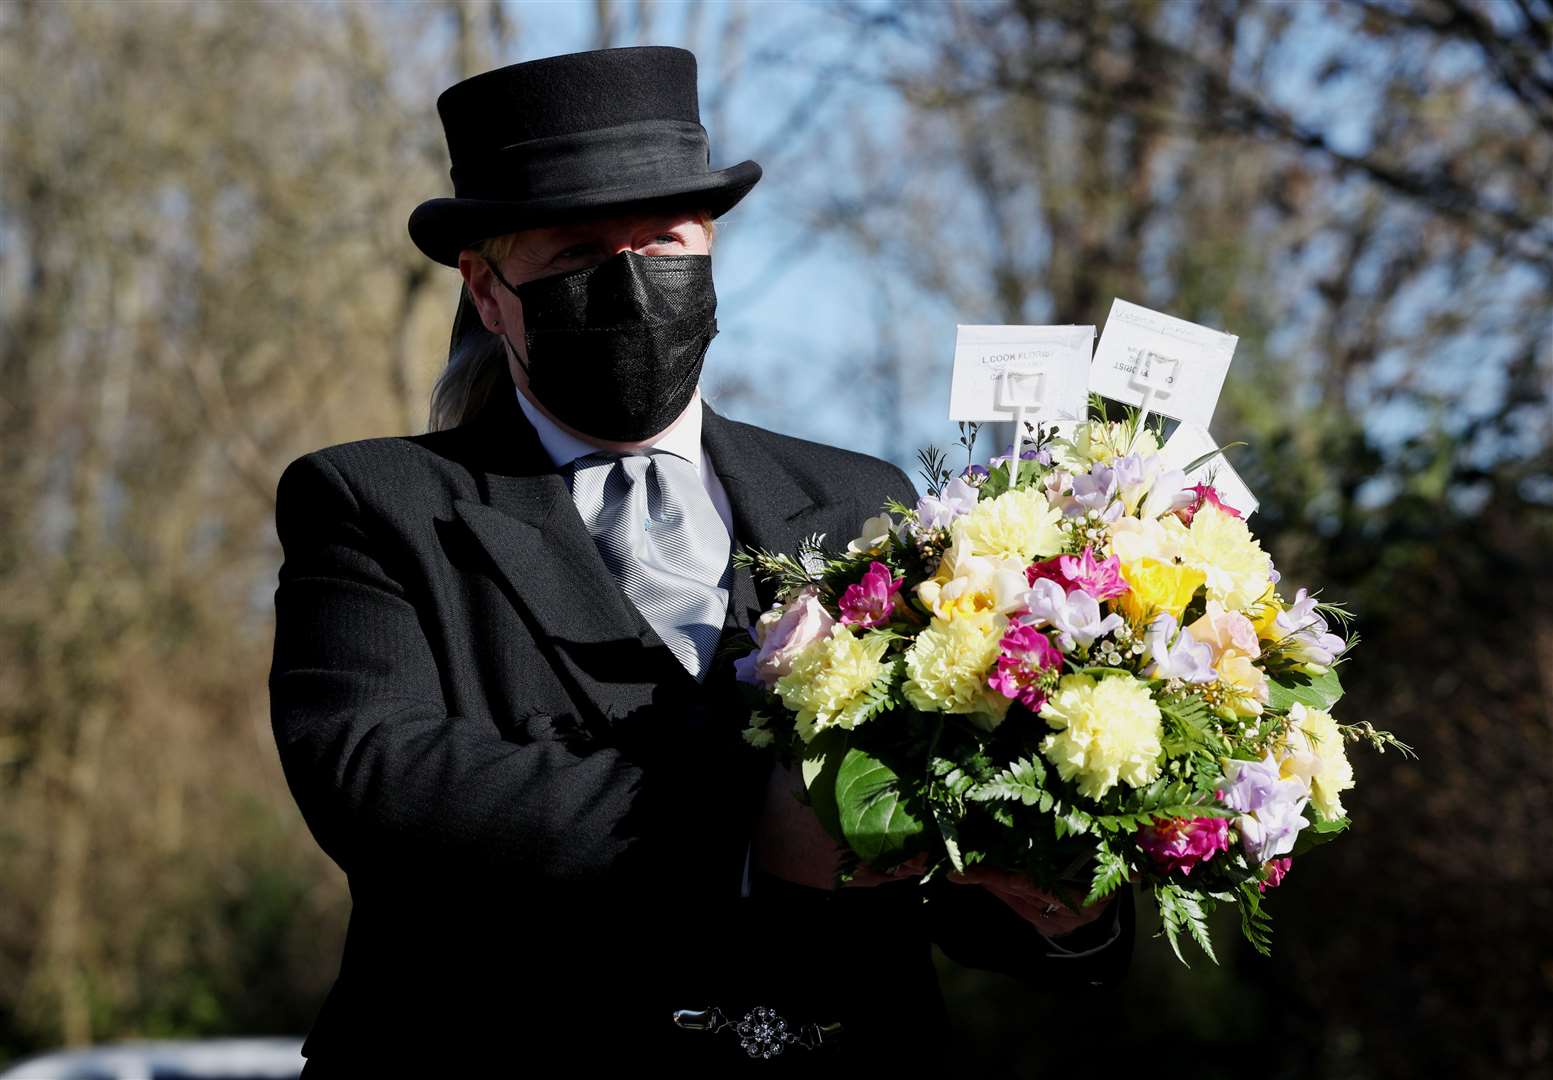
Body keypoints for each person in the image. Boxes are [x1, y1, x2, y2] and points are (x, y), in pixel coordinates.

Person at [268, 45, 1133, 1075]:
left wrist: (1060, 898)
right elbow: (371, 771)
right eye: (577, 252)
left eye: (666, 241)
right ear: (488, 291)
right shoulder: (378, 503)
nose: (632, 284)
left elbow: (936, 858)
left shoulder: (869, 503)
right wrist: (737, 827)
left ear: (710, 251)